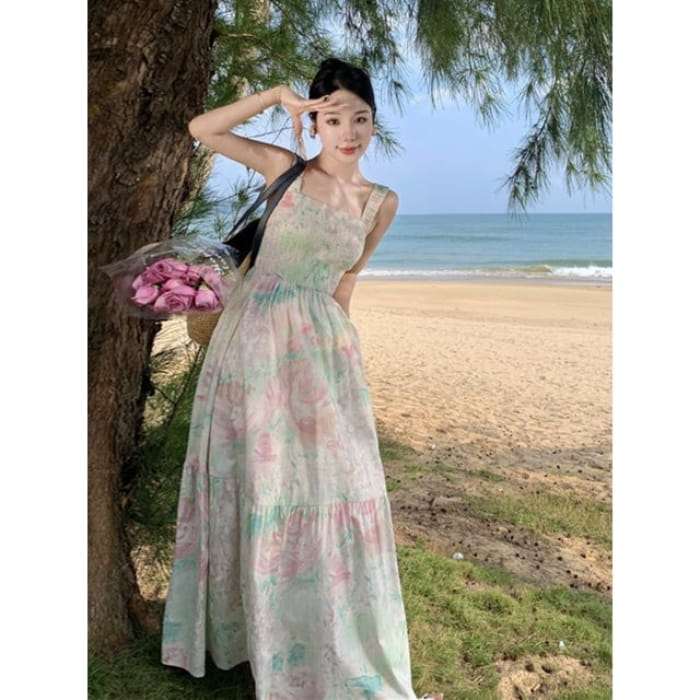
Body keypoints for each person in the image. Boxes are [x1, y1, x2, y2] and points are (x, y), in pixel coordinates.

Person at [161, 57, 444, 700]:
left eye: (360, 118)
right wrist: (274, 96)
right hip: (254, 344)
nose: (348, 132)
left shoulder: (381, 202)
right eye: (333, 118)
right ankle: (250, 636)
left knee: (334, 483)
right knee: (262, 482)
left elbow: (347, 280)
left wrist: (343, 364)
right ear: (314, 122)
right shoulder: (283, 170)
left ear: (375, 123)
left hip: (323, 354)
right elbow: (202, 129)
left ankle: (324, 633)